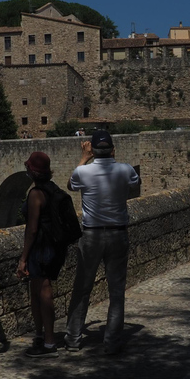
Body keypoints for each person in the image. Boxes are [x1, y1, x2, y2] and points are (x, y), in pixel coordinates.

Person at [64, 130, 140, 355]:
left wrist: (84, 158)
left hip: (92, 235)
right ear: (113, 150)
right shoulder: (125, 169)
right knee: (116, 291)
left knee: (82, 288)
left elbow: (70, 185)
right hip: (118, 233)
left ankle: (73, 339)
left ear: (92, 150)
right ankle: (112, 342)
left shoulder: (82, 172)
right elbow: (134, 184)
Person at [16, 152, 68, 358]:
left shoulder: (36, 194)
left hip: (41, 249)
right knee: (39, 290)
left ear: (32, 171)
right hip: (56, 247)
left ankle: (48, 341)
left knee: (42, 291)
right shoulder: (54, 189)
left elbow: (32, 229)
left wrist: (23, 258)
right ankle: (42, 336)